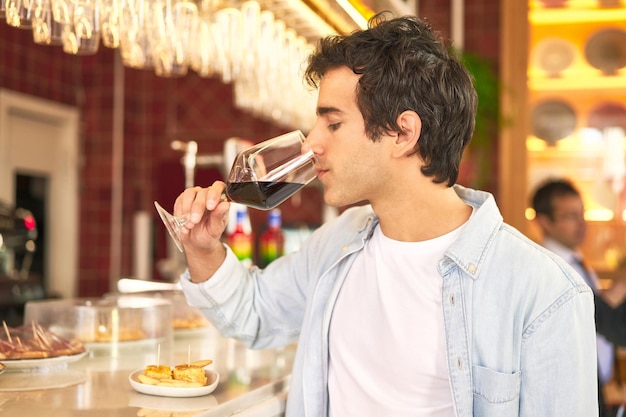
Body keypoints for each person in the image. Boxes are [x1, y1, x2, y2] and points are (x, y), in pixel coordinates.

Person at [174, 13, 598, 417]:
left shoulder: (545, 292)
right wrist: (203, 250)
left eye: (333, 124)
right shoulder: (339, 242)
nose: (311, 145)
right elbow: (255, 314)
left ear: (403, 133)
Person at [531, 178, 626, 416]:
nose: (582, 223)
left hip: (596, 389)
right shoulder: (548, 268)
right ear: (544, 221)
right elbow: (592, 315)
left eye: (582, 213)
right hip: (569, 393)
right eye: (571, 216)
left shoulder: (578, 261)